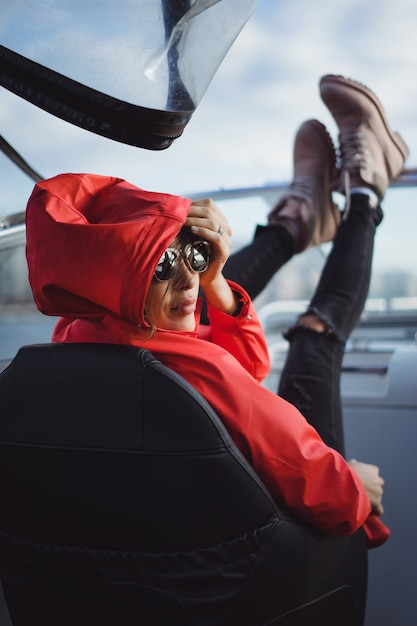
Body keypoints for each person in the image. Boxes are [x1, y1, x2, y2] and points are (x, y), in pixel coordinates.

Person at [24, 75, 407, 549]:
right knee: (313, 337)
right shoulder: (206, 377)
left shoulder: (71, 340)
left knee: (190, 298)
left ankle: (292, 225)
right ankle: (366, 194)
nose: (189, 278)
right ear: (112, 283)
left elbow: (235, 365)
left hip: (146, 576)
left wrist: (211, 278)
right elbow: (253, 385)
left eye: (197, 253)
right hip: (281, 560)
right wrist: (357, 485)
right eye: (161, 264)